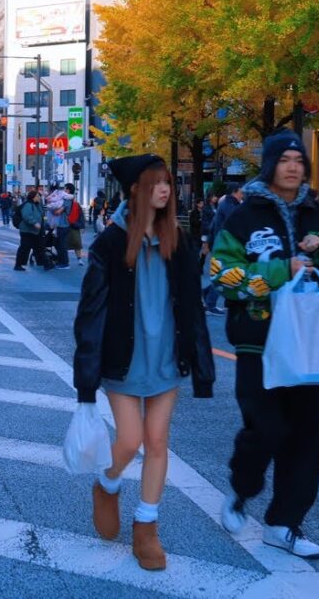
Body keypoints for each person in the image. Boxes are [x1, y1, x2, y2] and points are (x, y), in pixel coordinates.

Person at [209, 129, 319, 560]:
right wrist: (278, 272)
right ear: (269, 165)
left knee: (310, 439)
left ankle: (284, 523)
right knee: (266, 429)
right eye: (284, 159)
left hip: (312, 345)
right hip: (259, 344)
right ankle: (241, 490)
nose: (293, 167)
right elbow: (221, 274)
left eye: (299, 160)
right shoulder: (242, 217)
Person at [74, 154, 215, 571]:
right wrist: (85, 378)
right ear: (135, 189)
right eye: (156, 182)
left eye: (168, 182)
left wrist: (201, 363)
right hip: (124, 359)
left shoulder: (179, 240)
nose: (165, 189)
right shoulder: (111, 243)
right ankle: (107, 484)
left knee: (157, 442)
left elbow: (193, 309)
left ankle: (146, 527)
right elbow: (90, 312)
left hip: (165, 360)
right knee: (130, 440)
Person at [203, 183, 242, 316]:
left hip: (220, 243)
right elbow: (235, 226)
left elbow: (214, 224)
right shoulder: (230, 205)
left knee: (221, 274)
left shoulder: (226, 203)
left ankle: (207, 295)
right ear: (235, 191)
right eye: (241, 191)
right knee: (222, 275)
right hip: (224, 245)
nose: (242, 193)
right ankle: (210, 304)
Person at [13, 188, 48, 271]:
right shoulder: (28, 205)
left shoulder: (38, 205)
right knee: (25, 247)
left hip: (37, 230)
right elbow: (27, 215)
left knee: (40, 247)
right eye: (38, 196)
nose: (39, 198)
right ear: (33, 197)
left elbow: (43, 216)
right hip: (27, 230)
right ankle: (18, 265)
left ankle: (45, 263)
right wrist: (34, 223)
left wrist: (46, 224)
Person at [62, 183, 86, 266]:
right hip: (69, 224)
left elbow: (80, 214)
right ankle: (66, 260)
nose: (63, 190)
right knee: (69, 243)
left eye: (64, 189)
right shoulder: (68, 201)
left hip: (71, 225)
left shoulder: (73, 203)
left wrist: (82, 226)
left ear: (68, 190)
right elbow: (81, 215)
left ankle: (78, 259)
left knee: (76, 243)